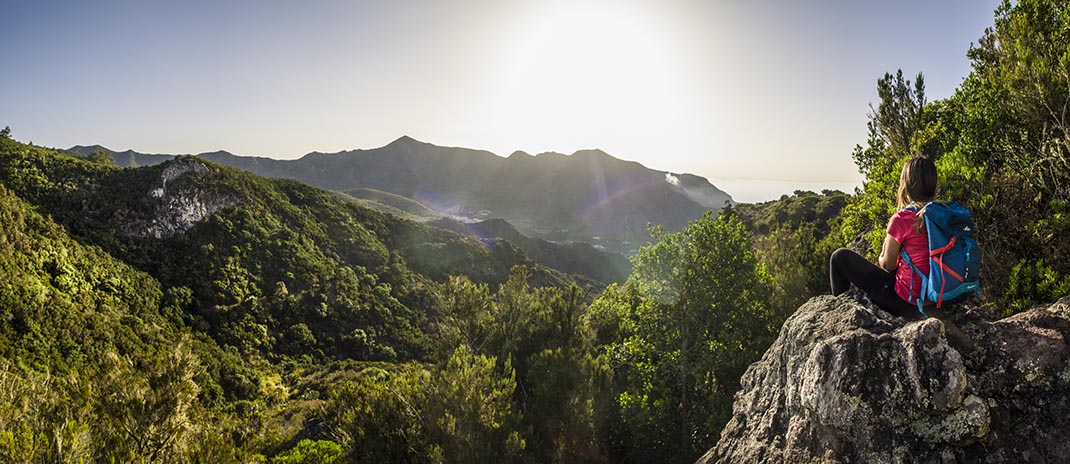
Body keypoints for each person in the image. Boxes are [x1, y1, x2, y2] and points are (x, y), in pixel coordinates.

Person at [829, 156, 937, 318]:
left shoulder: (903, 218)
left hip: (908, 302)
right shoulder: (944, 214)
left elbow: (888, 265)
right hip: (940, 295)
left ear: (906, 185)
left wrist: (881, 256)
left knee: (839, 257)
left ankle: (841, 316)